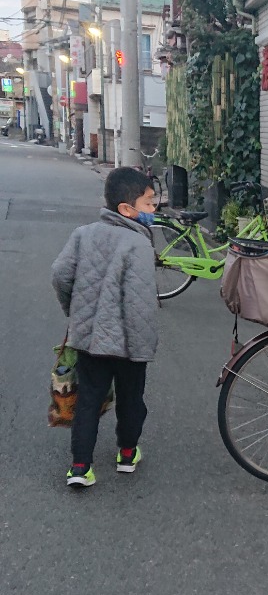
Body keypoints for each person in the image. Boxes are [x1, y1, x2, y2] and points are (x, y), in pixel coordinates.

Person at [51, 167, 159, 489]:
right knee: (131, 400)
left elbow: (59, 274)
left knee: (87, 400)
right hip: (127, 345)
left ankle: (80, 467)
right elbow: (140, 304)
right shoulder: (139, 245)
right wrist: (144, 348)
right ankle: (127, 454)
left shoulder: (83, 234)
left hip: (89, 340)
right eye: (150, 203)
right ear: (128, 209)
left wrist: (75, 311)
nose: (154, 210)